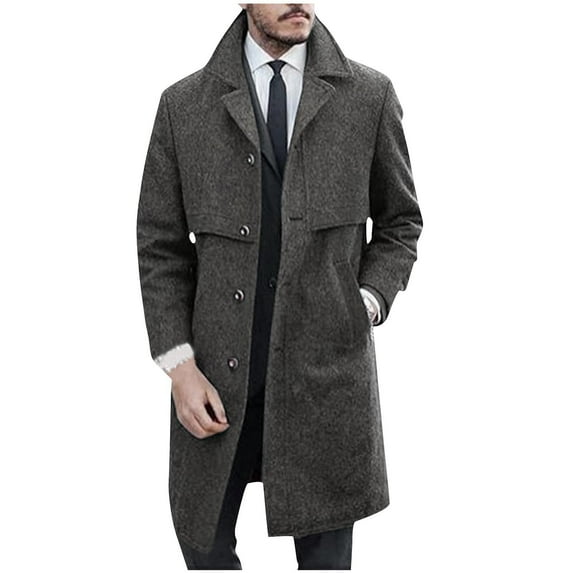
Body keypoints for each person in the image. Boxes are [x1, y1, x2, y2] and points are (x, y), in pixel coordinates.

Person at [136, 3, 423, 569]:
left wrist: (364, 302)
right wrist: (179, 368)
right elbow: (160, 245)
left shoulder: (369, 96)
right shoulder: (183, 106)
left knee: (325, 561)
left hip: (326, 381)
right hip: (216, 379)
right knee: (204, 548)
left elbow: (400, 222)